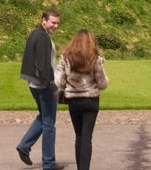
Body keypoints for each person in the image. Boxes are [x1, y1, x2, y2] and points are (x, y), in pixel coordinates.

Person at [17, 9, 64, 170]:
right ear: (43, 20)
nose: (55, 25)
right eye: (53, 22)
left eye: (57, 23)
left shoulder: (36, 34)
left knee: (44, 118)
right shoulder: (42, 38)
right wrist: (51, 86)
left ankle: (24, 146)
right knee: (49, 124)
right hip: (43, 85)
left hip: (34, 84)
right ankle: (49, 163)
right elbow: (43, 66)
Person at [56, 30, 109, 170]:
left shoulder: (66, 57)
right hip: (91, 100)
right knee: (87, 138)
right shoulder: (95, 59)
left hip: (74, 100)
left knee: (79, 136)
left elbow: (59, 82)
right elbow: (103, 84)